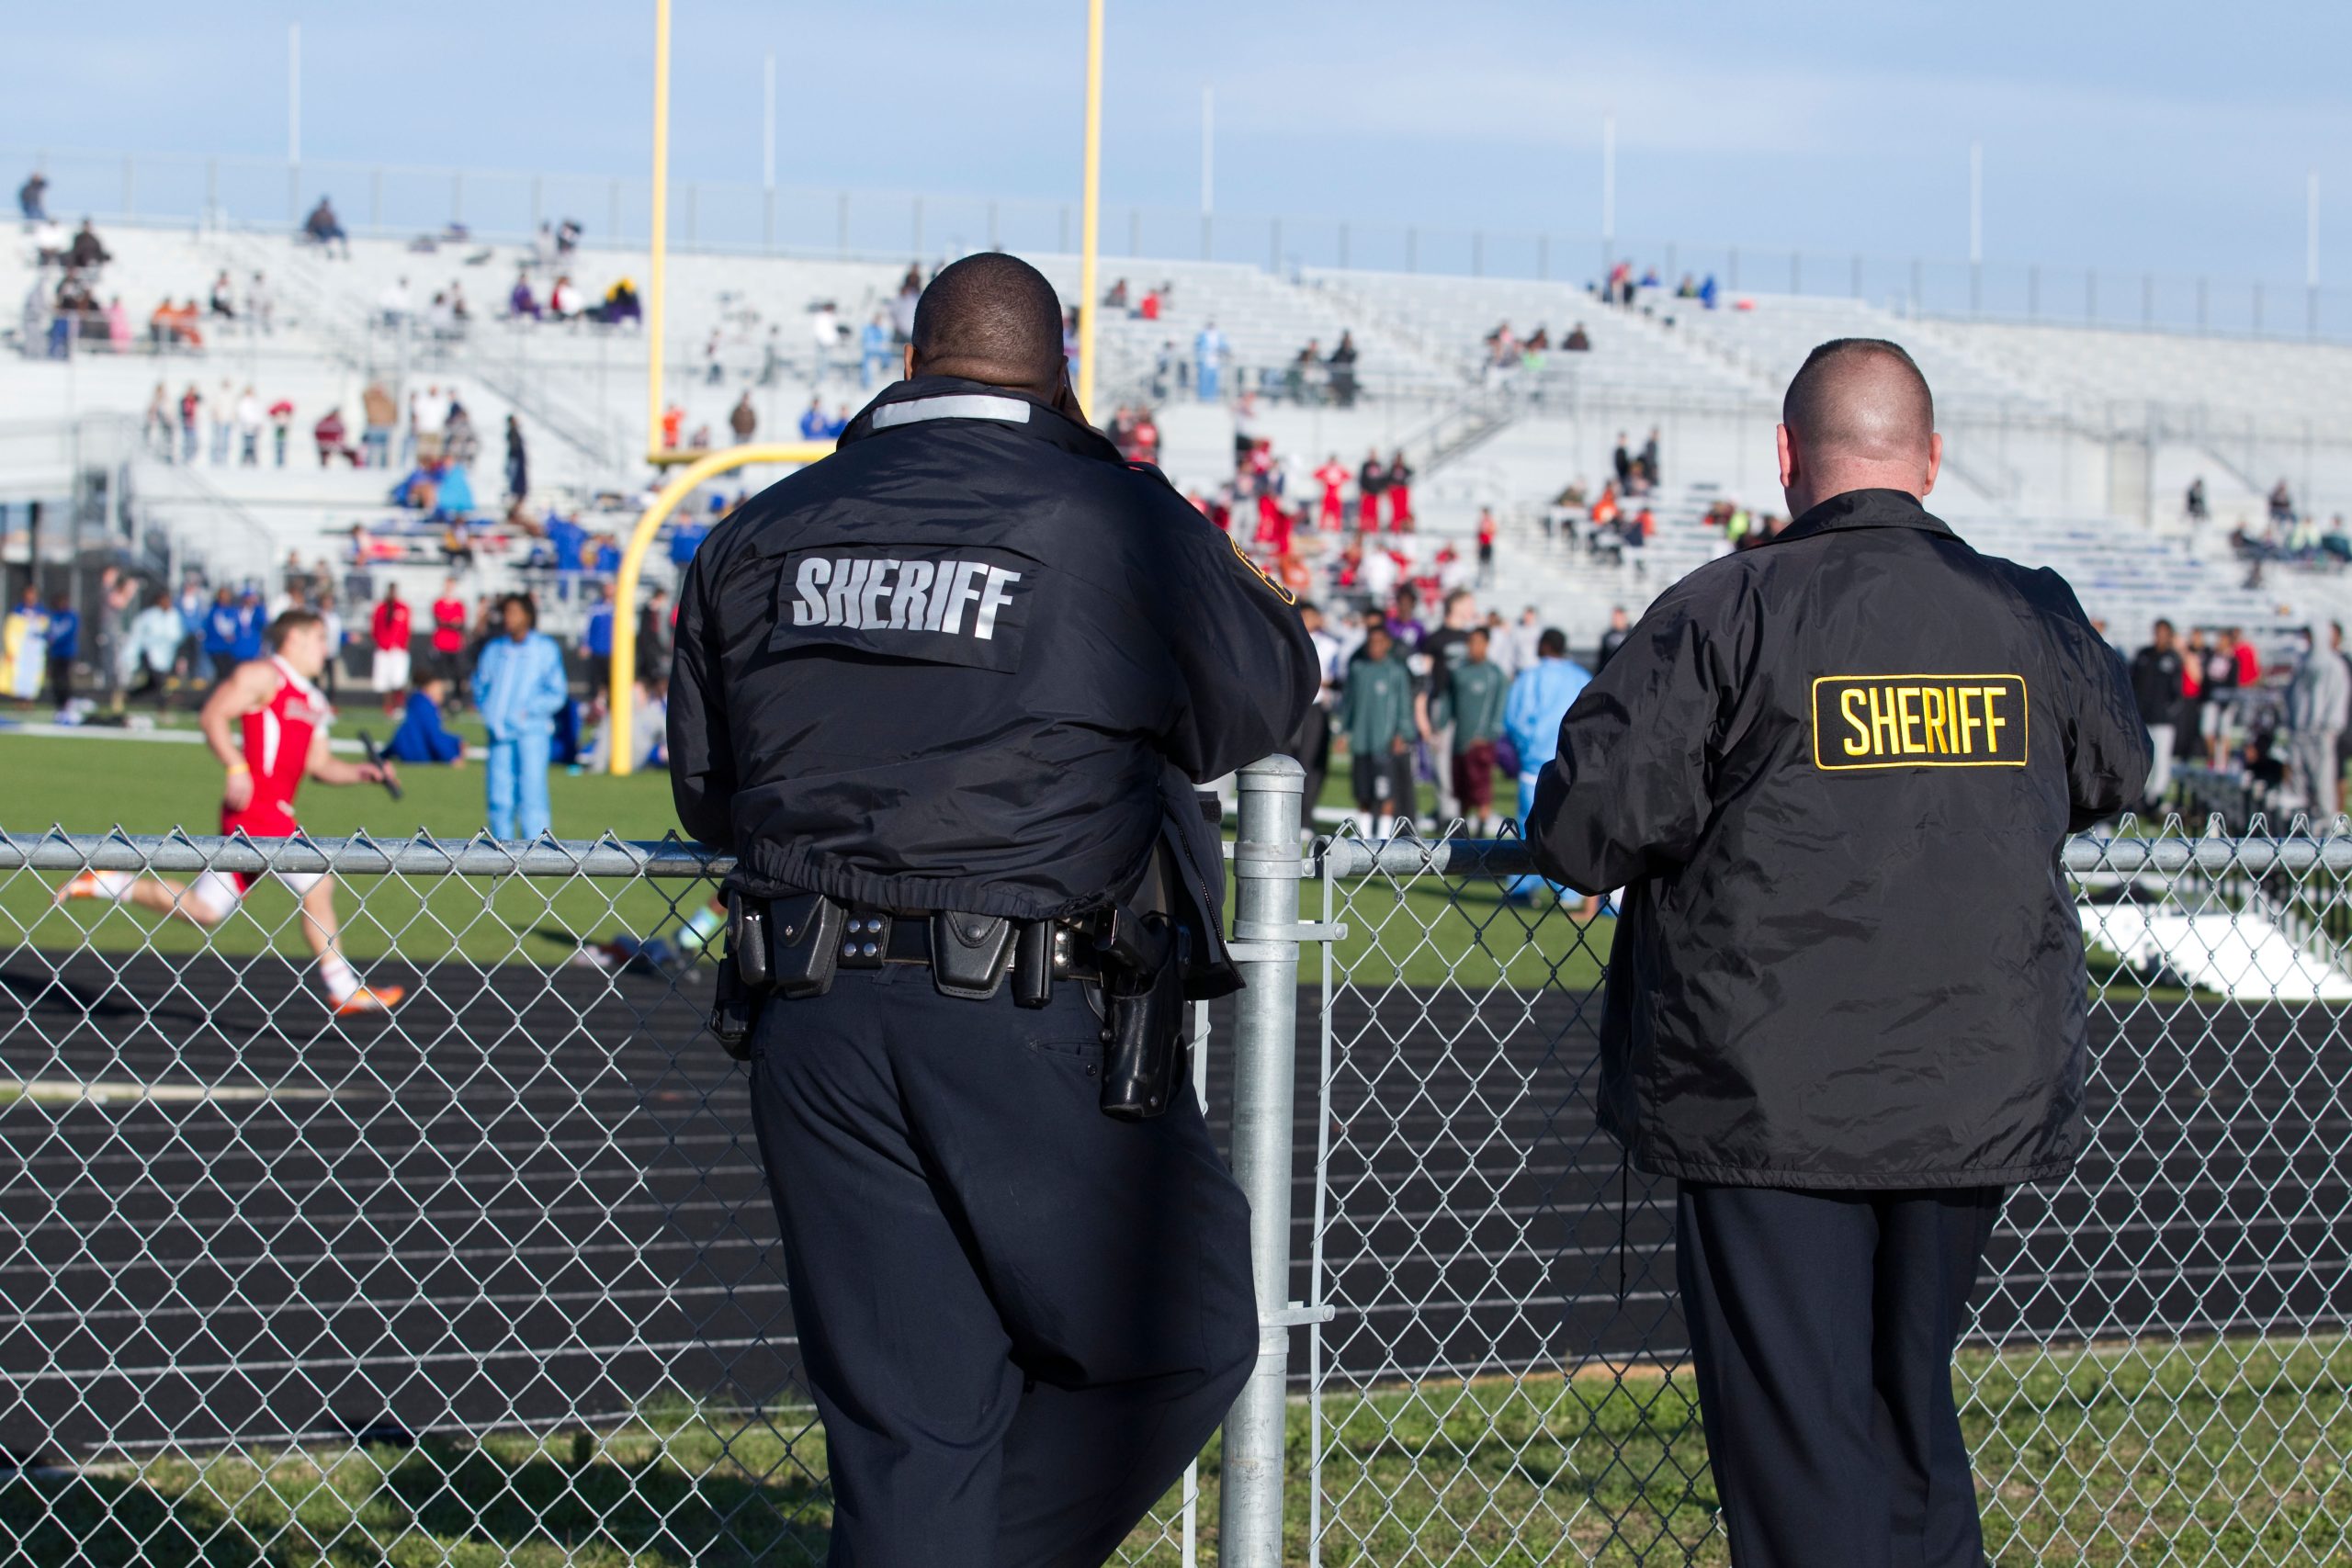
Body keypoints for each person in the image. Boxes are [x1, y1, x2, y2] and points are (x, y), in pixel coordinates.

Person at [666, 250, 1315, 1567]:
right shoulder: (1114, 516)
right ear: (1063, 379)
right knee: (1181, 1334)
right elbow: (1267, 693)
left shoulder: (761, 527)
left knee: (913, 1428)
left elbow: (704, 788)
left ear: (906, 367)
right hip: (1034, 1006)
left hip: (813, 1006)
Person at [1526, 337, 2145, 1568]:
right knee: (1903, 1423)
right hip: (1966, 1080)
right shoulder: (2030, 610)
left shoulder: (1724, 608)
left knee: (1805, 1452)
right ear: (1928, 458)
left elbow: (1591, 826)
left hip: (1772, 1091)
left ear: (1787, 457)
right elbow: (2112, 766)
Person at [57, 609, 403, 1014]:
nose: (326, 651)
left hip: (274, 814)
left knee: (206, 910)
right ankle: (342, 986)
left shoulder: (314, 698)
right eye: (320, 640)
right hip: (256, 812)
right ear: (295, 639)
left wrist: (365, 773)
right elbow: (213, 715)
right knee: (317, 882)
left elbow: (320, 765)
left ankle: (105, 883)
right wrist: (236, 766)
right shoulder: (263, 676)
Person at [1501, 628, 1594, 908]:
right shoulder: (1581, 678)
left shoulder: (1530, 678)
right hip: (1571, 765)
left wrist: (1525, 747)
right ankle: (1568, 891)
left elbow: (1513, 719)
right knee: (1565, 824)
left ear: (1543, 646)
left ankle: (1521, 887)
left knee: (1528, 825)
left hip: (1535, 764)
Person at [471, 593, 568, 840]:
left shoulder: (544, 649)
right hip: (499, 734)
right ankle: (502, 851)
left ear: (528, 615)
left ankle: (537, 853)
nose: (509, 618)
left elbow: (557, 692)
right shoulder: (495, 650)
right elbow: (480, 685)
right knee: (498, 796)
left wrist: (529, 711)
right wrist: (491, 711)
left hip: (531, 734)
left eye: (514, 612)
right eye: (506, 612)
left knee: (532, 793)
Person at [1340, 621, 1416, 836]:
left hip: (1385, 743)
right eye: (1371, 642)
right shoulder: (1358, 670)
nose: (1375, 647)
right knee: (1362, 789)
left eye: (1380, 643)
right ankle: (1363, 831)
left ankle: (1383, 833)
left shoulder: (1396, 672)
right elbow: (1349, 703)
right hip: (1362, 741)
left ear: (1387, 644)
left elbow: (1403, 705)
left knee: (1385, 791)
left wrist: (1402, 733)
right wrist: (1344, 732)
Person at [1434, 626, 1509, 835]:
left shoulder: (1494, 674)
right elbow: (1448, 703)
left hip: (1481, 744)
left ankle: (1481, 831)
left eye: (1478, 642)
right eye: (1471, 642)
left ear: (1486, 644)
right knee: (1461, 789)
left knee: (1481, 790)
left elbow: (1499, 709)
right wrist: (1438, 728)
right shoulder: (1459, 671)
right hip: (1460, 740)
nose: (1473, 647)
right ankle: (1462, 831)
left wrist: (1488, 735)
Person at [2285, 624, 2350, 821]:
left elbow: (2338, 697)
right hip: (2300, 731)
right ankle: (2299, 821)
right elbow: (2292, 695)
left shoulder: (2334, 665)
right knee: (2298, 781)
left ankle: (2324, 822)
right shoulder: (2303, 663)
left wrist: (2330, 725)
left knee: (2323, 781)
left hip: (2321, 732)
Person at [2130, 619, 2188, 817]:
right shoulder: (2143, 655)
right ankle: (2142, 796)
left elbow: (2177, 692)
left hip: (2163, 720)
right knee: (2144, 759)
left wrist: (2170, 711)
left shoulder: (2173, 659)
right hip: (2143, 717)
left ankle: (2157, 797)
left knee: (2161, 759)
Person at [387, 674, 467, 765]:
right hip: (417, 754)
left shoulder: (415, 702)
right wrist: (452, 758)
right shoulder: (426, 707)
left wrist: (383, 755)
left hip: (406, 750)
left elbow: (402, 734)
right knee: (457, 742)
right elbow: (434, 737)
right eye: (440, 691)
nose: (442, 695)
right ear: (428, 689)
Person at [369, 585, 412, 707]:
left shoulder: (403, 608)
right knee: (384, 680)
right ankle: (388, 706)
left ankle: (399, 705)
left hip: (398, 650)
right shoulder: (381, 609)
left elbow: (407, 629)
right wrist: (380, 643)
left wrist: (401, 645)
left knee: (398, 679)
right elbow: (375, 628)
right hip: (383, 649)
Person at [42, 591, 80, 711]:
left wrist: (54, 638)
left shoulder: (71, 616)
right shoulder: (53, 616)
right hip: (55, 653)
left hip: (66, 652)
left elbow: (67, 633)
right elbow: (48, 632)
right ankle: (58, 702)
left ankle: (67, 702)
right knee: (55, 679)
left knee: (64, 679)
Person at [1596, 605, 1633, 670]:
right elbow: (1602, 657)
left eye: (1619, 618)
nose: (1616, 621)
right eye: (1615, 618)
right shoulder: (1607, 636)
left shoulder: (1632, 633)